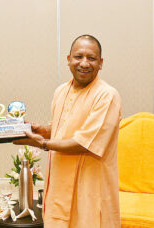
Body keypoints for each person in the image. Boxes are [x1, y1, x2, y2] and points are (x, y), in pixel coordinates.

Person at [14, 35, 121, 228]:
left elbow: (84, 143)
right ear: (68, 59)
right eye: (78, 56)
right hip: (58, 188)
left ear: (101, 63)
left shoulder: (107, 96)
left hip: (90, 191)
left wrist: (42, 143)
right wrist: (42, 131)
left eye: (91, 58)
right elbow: (64, 130)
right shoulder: (61, 91)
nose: (84, 63)